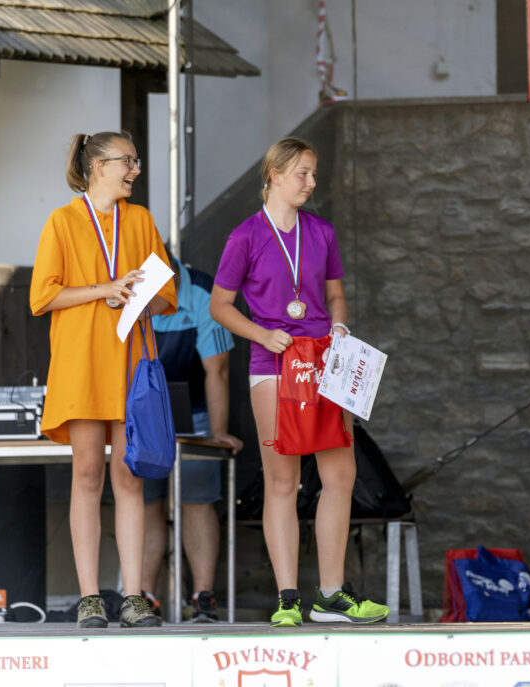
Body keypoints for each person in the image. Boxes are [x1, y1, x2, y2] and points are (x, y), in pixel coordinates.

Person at [210, 137, 388, 626]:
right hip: (274, 364)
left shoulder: (322, 232)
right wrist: (261, 334)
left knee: (340, 475)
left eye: (313, 173)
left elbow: (335, 296)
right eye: (302, 174)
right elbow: (220, 306)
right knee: (283, 480)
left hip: (325, 361)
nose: (311, 182)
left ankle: (330, 595)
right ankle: (288, 597)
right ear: (274, 174)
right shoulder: (245, 236)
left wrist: (340, 328)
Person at [30, 131, 177, 628]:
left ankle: (133, 597)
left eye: (136, 161)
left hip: (131, 363)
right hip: (81, 364)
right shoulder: (62, 221)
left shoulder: (141, 220)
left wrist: (139, 299)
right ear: (97, 167)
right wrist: (104, 289)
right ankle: (90, 597)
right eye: (127, 161)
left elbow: (167, 295)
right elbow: (43, 296)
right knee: (88, 474)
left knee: (130, 476)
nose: (136, 169)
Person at [141, 255, 243, 622]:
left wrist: (217, 434)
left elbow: (217, 370)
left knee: (197, 499)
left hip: (196, 412)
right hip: (142, 411)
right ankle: (143, 597)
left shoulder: (203, 292)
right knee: (145, 502)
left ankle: (203, 597)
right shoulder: (129, 290)